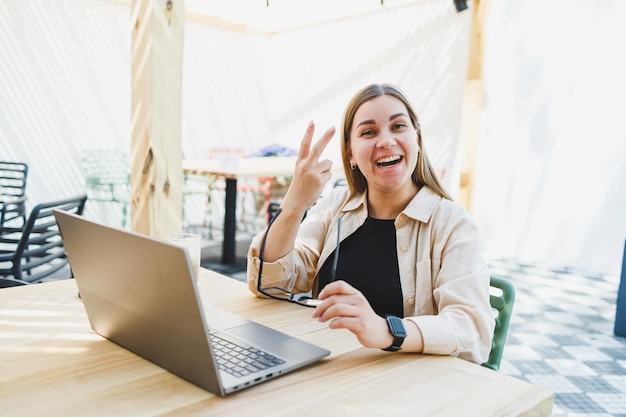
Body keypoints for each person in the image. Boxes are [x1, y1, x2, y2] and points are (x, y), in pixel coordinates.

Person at [246, 83, 494, 364]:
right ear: (350, 153)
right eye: (369, 132)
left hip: (407, 388)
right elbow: (267, 283)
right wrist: (294, 204)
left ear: (418, 140)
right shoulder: (335, 206)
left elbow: (474, 332)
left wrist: (386, 330)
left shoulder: (452, 223)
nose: (386, 141)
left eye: (398, 126)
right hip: (333, 371)